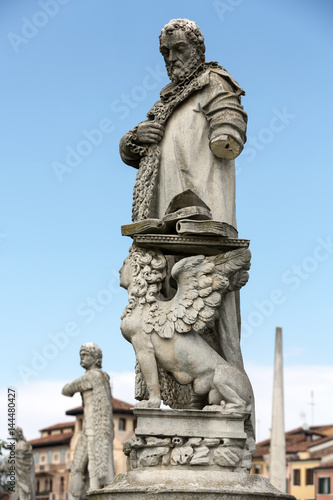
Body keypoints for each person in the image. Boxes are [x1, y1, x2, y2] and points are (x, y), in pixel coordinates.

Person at [119, 18, 248, 378]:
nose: (171, 58)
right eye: (165, 52)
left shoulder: (214, 82)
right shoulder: (167, 100)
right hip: (165, 215)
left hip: (207, 213)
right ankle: (178, 387)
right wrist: (135, 137)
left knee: (216, 305)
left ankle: (229, 390)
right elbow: (131, 151)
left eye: (179, 49)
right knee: (164, 291)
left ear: (197, 49)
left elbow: (230, 119)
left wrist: (227, 128)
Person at [62, 343, 115, 499]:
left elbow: (67, 390)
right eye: (81, 355)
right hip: (89, 429)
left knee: (94, 467)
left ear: (96, 358)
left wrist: (69, 385)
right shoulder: (102, 377)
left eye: (85, 355)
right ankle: (77, 495)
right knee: (77, 466)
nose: (82, 359)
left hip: (96, 428)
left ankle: (93, 495)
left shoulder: (93, 376)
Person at [11, 427, 35, 500]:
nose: (12, 436)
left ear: (17, 434)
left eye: (13, 434)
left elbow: (11, 463)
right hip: (27, 479)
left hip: (20, 478)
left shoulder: (17, 447)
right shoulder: (27, 446)